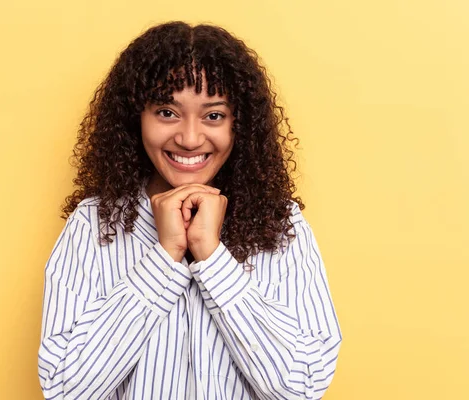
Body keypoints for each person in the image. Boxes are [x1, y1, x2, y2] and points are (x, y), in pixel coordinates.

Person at [38, 21, 342, 400]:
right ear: (137, 118)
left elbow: (302, 387)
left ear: (239, 126)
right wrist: (165, 257)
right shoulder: (95, 223)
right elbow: (66, 389)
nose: (190, 138)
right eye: (167, 112)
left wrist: (211, 255)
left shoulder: (281, 225)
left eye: (214, 115)